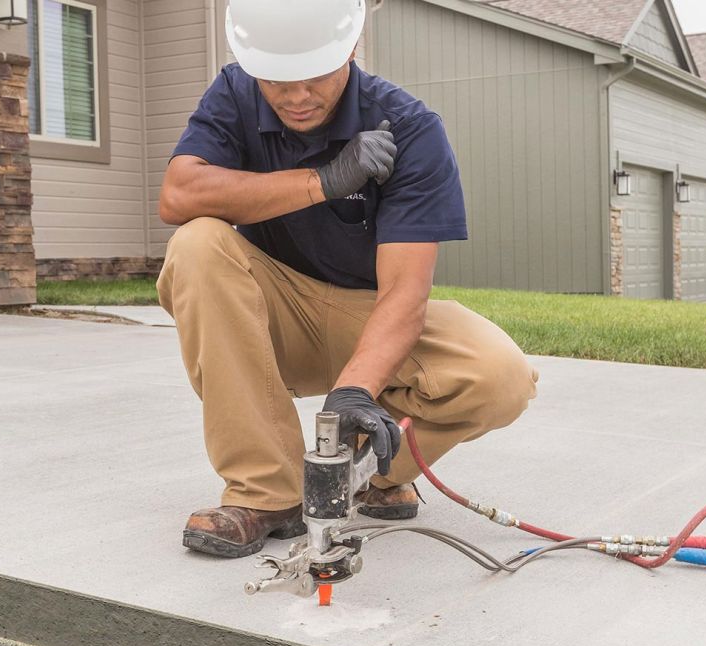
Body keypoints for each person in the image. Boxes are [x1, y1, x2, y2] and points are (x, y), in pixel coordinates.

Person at [157, 0, 539, 558]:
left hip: (370, 314)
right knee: (196, 244)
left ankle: (370, 472)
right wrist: (323, 180)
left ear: (351, 49)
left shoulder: (409, 128)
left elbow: (406, 294)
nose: (297, 97)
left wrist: (355, 391)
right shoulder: (234, 92)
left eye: (315, 77)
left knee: (500, 376)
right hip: (272, 314)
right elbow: (179, 195)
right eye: (279, 81)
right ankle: (266, 493)